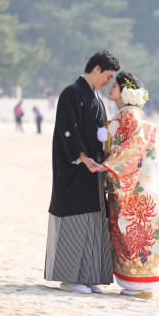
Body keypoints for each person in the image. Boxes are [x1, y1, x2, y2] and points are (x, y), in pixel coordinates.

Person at [44, 50, 120, 294]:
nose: (109, 81)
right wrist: (83, 157)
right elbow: (67, 130)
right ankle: (69, 278)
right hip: (75, 167)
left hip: (93, 169)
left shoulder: (96, 99)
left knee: (93, 220)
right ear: (96, 68)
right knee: (75, 219)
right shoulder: (71, 92)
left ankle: (87, 276)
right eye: (108, 76)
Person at [98, 71, 159, 297]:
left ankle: (140, 283)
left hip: (127, 184)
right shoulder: (126, 113)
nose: (111, 87)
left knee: (131, 231)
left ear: (126, 92)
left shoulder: (129, 114)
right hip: (126, 182)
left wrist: (107, 165)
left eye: (116, 85)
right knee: (132, 230)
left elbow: (133, 145)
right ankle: (139, 284)